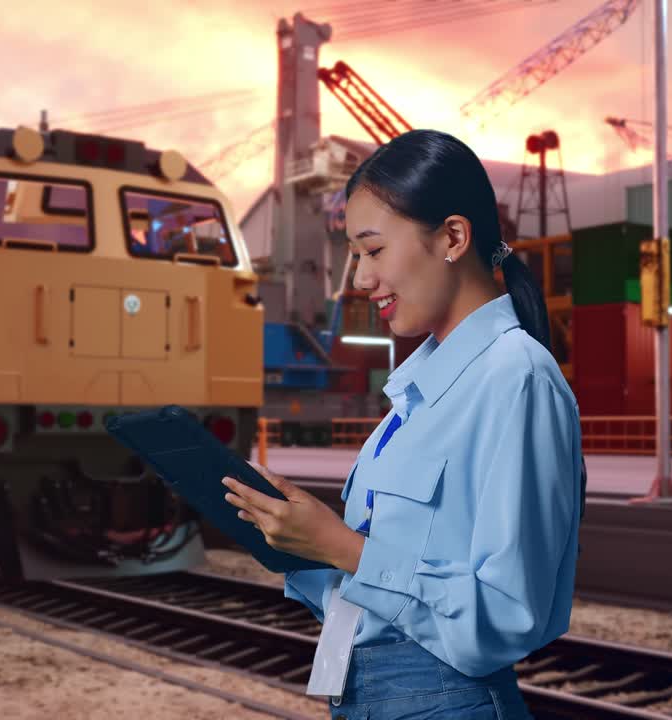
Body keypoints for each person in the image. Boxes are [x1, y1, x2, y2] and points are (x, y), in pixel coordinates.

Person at [222, 129, 585, 720]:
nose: (360, 279)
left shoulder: (517, 379)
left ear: (452, 237)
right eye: (354, 255)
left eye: (373, 250)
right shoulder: (416, 396)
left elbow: (506, 615)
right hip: (366, 697)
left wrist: (344, 546)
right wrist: (301, 544)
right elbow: (388, 590)